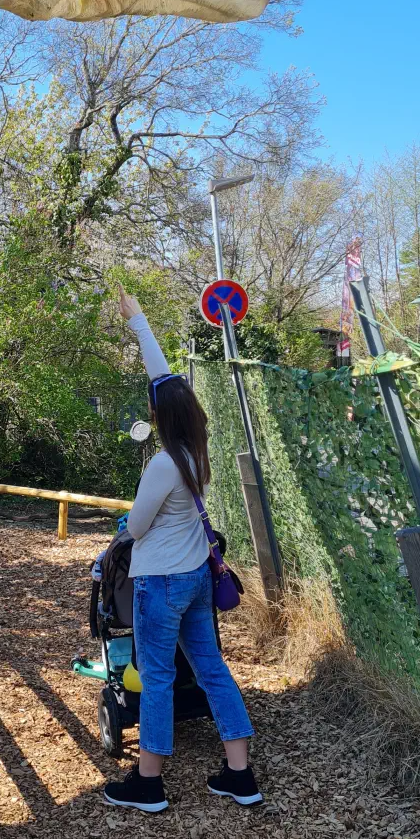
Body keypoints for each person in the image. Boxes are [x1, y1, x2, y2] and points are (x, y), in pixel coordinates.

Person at [103, 288, 261, 812]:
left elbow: (139, 526)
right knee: (212, 668)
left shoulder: (162, 464)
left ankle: (148, 782)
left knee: (156, 675)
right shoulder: (196, 450)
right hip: (194, 575)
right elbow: (165, 381)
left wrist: (129, 521)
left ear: (158, 418)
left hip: (161, 582)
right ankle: (240, 774)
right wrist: (138, 321)